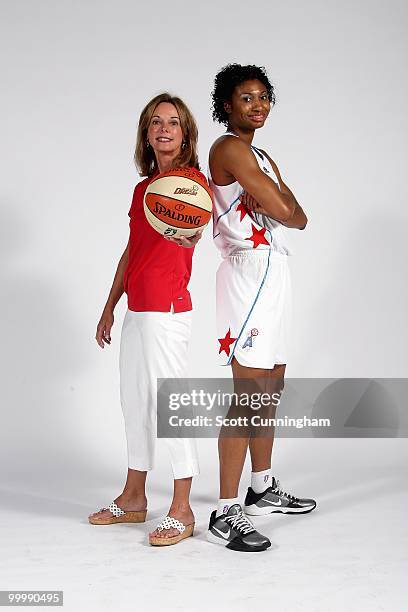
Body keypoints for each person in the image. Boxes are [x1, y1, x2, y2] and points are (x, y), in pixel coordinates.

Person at [206, 64, 316, 552]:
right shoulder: (228, 148)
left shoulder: (262, 154)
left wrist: (281, 205)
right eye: (247, 98)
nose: (258, 105)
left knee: (271, 387)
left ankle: (262, 487)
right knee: (247, 397)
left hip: (276, 271)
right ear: (227, 105)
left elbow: (301, 218)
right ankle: (225, 509)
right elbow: (281, 208)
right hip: (246, 272)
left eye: (265, 97)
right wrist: (280, 205)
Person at [88, 93, 204, 547]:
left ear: (185, 134)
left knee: (170, 407)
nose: (163, 129)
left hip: (168, 311)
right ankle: (134, 496)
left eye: (173, 123)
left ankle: (182, 508)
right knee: (134, 401)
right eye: (155, 122)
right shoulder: (143, 190)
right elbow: (132, 251)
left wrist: (189, 224)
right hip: (137, 310)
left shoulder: (193, 185)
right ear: (146, 133)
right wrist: (109, 305)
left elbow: (194, 229)